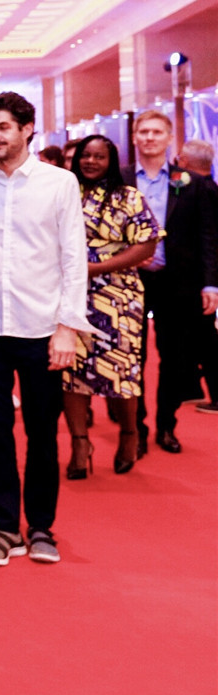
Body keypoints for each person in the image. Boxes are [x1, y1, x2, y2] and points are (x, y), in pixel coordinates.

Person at [0, 92, 91, 567]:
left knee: (41, 432)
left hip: (41, 328)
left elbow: (73, 259)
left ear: (28, 129)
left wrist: (67, 327)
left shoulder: (60, 183)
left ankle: (42, 527)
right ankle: (5, 528)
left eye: (3, 127)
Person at [61, 135, 161, 477]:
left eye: (99, 156)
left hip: (119, 296)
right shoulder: (65, 192)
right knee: (71, 372)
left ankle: (130, 435)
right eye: (85, 155)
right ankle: (80, 444)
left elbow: (147, 245)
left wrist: (97, 268)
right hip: (70, 294)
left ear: (111, 161)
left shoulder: (129, 196)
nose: (90, 161)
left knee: (122, 372)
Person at [122, 111, 218, 453]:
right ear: (135, 137)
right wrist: (129, 254)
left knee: (175, 359)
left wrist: (211, 284)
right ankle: (136, 428)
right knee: (132, 359)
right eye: (144, 131)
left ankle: (166, 425)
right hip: (129, 281)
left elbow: (207, 235)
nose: (149, 137)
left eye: (156, 132)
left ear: (168, 138)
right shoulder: (120, 179)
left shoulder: (190, 182)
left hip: (178, 282)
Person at [174, 140, 218, 414]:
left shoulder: (202, 190)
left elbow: (208, 238)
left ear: (185, 162)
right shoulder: (206, 187)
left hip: (200, 276)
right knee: (192, 334)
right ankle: (190, 386)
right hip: (198, 275)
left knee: (205, 337)